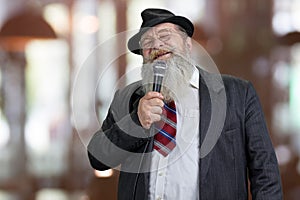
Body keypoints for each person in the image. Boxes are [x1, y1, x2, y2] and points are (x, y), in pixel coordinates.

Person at [87, 8, 283, 200]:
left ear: (187, 44)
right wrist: (136, 121)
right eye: (147, 42)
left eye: (165, 35)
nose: (156, 45)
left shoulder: (237, 93)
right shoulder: (127, 98)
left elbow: (265, 171)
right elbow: (98, 158)